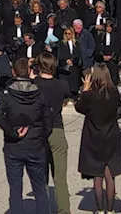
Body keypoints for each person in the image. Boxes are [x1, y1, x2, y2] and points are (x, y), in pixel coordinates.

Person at [0, 56, 51, 214]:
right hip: (34, 143)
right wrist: (41, 137)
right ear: (29, 71)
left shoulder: (7, 94)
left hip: (15, 145)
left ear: (13, 71)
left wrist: (12, 133)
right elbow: (48, 121)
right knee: (39, 188)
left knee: (15, 187)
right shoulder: (39, 93)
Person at [75, 63, 121, 214]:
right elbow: (119, 107)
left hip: (94, 136)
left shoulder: (90, 95)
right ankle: (110, 210)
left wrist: (84, 89)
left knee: (97, 176)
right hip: (111, 134)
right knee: (110, 175)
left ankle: (99, 208)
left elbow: (79, 108)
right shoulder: (113, 92)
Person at [33, 52, 73, 214]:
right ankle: (64, 210)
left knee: (41, 177)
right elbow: (65, 100)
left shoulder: (34, 84)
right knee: (60, 178)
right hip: (56, 127)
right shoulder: (62, 84)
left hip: (39, 130)